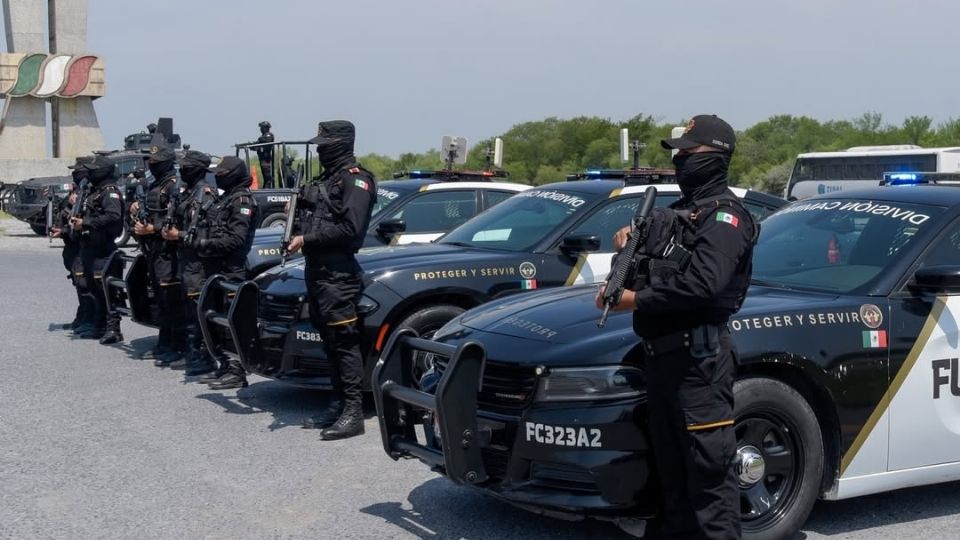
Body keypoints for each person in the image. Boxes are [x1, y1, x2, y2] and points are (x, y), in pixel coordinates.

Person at [596, 115, 754, 540]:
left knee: (708, 484)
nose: (680, 160)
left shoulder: (725, 219)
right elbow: (641, 274)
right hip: (663, 362)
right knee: (671, 485)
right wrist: (625, 251)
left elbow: (704, 284)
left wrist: (634, 300)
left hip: (699, 367)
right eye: (678, 153)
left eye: (688, 152)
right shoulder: (675, 216)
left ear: (715, 156)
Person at [285, 120, 376, 441]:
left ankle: (353, 412)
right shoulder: (326, 179)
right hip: (318, 272)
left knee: (344, 343)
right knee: (328, 342)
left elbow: (352, 229)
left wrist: (306, 239)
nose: (321, 151)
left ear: (340, 144)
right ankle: (337, 403)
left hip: (339, 275)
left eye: (325, 146)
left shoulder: (356, 180)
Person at [198, 156, 259, 389]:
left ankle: (237, 371)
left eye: (223, 174)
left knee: (232, 321)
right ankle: (224, 364)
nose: (219, 178)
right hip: (216, 268)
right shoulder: (225, 198)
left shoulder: (242, 200)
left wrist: (207, 245)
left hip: (232, 270)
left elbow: (236, 239)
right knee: (216, 319)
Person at [160, 150, 220, 377]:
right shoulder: (187, 194)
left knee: (198, 312)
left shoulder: (205, 195)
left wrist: (178, 234)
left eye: (186, 167)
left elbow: (206, 233)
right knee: (188, 312)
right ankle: (192, 353)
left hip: (199, 263)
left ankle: (204, 357)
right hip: (186, 261)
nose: (182, 171)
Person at [132, 146, 186, 366]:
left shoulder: (175, 186)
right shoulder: (155, 185)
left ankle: (178, 346)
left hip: (169, 253)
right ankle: (164, 342)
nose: (150, 166)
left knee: (172, 301)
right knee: (161, 301)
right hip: (154, 250)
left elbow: (179, 219)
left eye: (155, 162)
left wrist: (151, 229)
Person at [69, 155, 125, 344]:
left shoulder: (110, 192)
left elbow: (113, 216)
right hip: (90, 247)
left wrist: (85, 222)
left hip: (104, 248)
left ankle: (113, 329)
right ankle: (99, 325)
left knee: (106, 289)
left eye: (93, 171)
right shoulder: (94, 191)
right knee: (93, 288)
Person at [51, 156, 93, 334]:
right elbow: (65, 213)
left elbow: (84, 222)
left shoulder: (90, 192)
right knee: (78, 283)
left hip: (82, 246)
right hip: (71, 246)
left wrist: (65, 231)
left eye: (78, 171)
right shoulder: (78, 190)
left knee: (84, 285)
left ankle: (89, 320)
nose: (75, 174)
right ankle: (82, 317)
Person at [256, 121, 275, 187]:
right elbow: (257, 146)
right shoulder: (262, 137)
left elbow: (267, 141)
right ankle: (265, 188)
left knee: (268, 178)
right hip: (262, 159)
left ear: (266, 128)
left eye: (262, 127)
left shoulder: (269, 135)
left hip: (266, 160)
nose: (261, 129)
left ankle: (267, 189)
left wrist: (259, 141)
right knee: (266, 178)